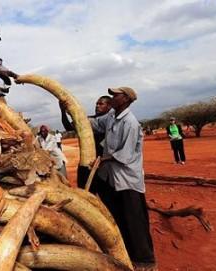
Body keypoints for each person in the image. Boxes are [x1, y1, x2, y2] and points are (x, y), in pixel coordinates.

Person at [90, 87, 156, 270]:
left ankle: (146, 260)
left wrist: (102, 159)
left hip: (127, 179)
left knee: (135, 219)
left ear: (126, 99)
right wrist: (70, 110)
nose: (112, 97)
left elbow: (125, 155)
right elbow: (95, 124)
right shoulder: (111, 117)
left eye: (115, 95)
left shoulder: (130, 122)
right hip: (111, 177)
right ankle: (125, 252)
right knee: (118, 216)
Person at [60, 96, 112, 191]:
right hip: (87, 162)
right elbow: (68, 127)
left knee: (105, 192)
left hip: (104, 163)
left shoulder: (112, 121)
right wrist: (63, 112)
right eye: (96, 103)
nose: (97, 106)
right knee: (85, 190)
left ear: (109, 106)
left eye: (101, 104)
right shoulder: (87, 120)